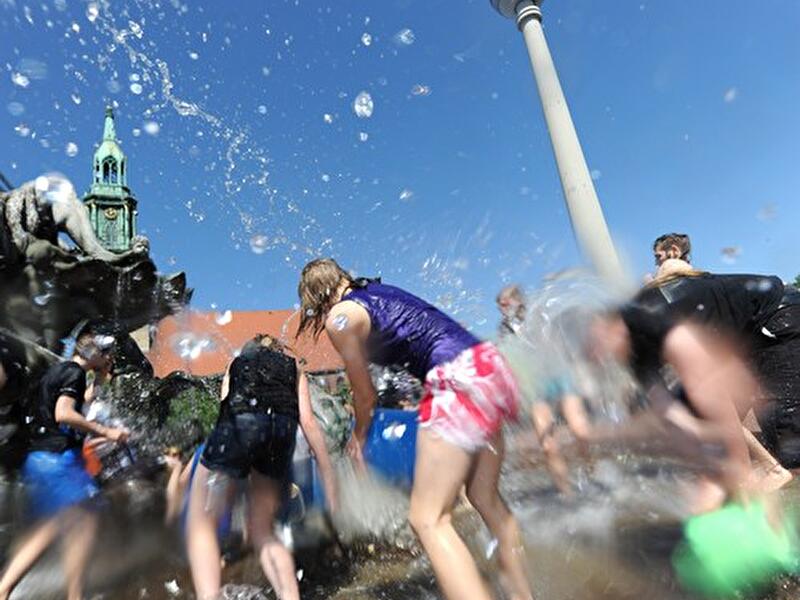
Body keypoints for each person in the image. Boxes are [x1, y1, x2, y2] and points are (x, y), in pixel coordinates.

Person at [298, 258, 533, 600]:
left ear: (315, 297)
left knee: (427, 520)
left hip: (456, 379)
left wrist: (359, 435)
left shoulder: (340, 317)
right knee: (486, 499)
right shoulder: (377, 292)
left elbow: (365, 395)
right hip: (487, 365)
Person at [185, 334, 337, 600]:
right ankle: (290, 596)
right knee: (263, 529)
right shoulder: (294, 367)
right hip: (282, 432)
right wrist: (328, 476)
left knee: (201, 521)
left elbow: (227, 412)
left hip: (239, 424)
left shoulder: (237, 363)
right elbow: (309, 423)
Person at [0, 331, 128, 600]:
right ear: (98, 353)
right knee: (84, 518)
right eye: (108, 354)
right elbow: (65, 414)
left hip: (40, 458)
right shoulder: (74, 374)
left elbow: (76, 404)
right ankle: (71, 595)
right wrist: (107, 432)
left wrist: (101, 380)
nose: (111, 359)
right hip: (58, 458)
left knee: (63, 524)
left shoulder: (60, 370)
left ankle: (10, 588)